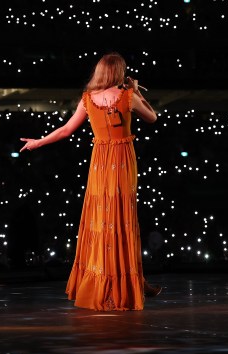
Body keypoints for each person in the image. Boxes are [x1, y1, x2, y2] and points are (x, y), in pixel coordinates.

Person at [20, 52, 160, 310]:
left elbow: (65, 130)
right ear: (119, 73)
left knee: (101, 218)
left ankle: (99, 281)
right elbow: (153, 118)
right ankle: (123, 284)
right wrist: (138, 91)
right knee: (121, 218)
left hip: (100, 163)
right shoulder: (128, 97)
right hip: (122, 160)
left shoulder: (87, 99)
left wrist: (38, 142)